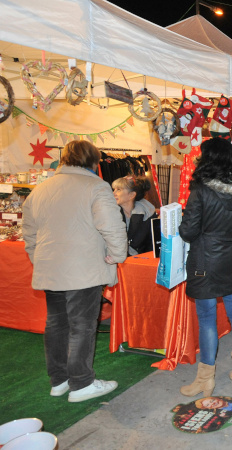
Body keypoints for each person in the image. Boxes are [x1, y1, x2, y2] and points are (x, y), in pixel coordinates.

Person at [22, 140, 127, 403]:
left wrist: (39, 259)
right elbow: (111, 226)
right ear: (94, 162)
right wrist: (117, 255)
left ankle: (59, 381)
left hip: (52, 266)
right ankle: (81, 383)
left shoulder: (41, 189)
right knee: (82, 325)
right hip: (85, 267)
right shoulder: (96, 187)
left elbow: (29, 234)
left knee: (56, 324)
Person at [179, 138, 232, 395]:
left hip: (205, 261)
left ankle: (205, 379)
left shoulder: (201, 191)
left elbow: (188, 232)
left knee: (207, 320)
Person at [112, 175, 157, 255]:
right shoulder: (111, 213)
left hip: (140, 260)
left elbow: (151, 245)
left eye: (118, 190)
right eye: (114, 189)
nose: (114, 193)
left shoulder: (148, 214)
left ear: (132, 195)